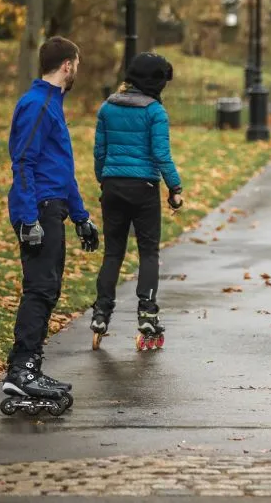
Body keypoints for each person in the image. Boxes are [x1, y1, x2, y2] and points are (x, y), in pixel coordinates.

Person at [2, 36, 99, 412]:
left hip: (51, 205)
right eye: (77, 64)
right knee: (40, 289)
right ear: (68, 66)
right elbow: (23, 161)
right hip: (38, 209)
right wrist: (28, 219)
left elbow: (61, 170)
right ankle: (22, 370)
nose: (77, 70)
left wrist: (81, 216)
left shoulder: (51, 104)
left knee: (48, 289)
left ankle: (28, 367)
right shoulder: (38, 104)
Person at [90, 52, 182, 351]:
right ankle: (147, 312)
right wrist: (175, 188)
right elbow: (161, 155)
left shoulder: (107, 107)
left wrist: (104, 179)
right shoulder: (154, 111)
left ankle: (101, 313)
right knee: (148, 252)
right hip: (143, 187)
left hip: (113, 186)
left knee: (113, 253)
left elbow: (99, 152)